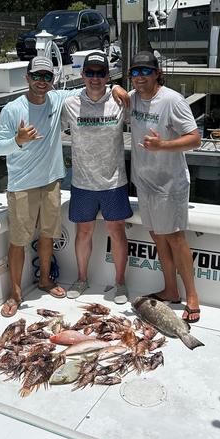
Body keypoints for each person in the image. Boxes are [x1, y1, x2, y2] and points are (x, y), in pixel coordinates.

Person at [0, 55, 128, 317]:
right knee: (18, 241)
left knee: (47, 236)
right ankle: (15, 293)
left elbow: (92, 85)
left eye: (47, 77)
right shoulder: (12, 109)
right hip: (21, 184)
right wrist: (18, 140)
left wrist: (115, 87)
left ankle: (45, 280)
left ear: (52, 80)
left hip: (52, 181)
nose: (42, 82)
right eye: (37, 76)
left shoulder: (58, 100)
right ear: (28, 78)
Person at [128, 50, 202, 323]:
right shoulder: (133, 98)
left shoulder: (172, 100)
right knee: (158, 238)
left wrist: (163, 145)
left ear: (157, 73)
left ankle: (192, 296)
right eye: (135, 72)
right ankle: (170, 289)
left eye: (146, 71)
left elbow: (195, 139)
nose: (140, 77)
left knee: (175, 238)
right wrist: (113, 88)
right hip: (144, 183)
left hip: (170, 185)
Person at [61, 51, 132, 304]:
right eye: (89, 73)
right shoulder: (69, 104)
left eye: (100, 73)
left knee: (117, 232)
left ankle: (121, 282)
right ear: (82, 75)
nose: (94, 78)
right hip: (81, 182)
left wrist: (121, 88)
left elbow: (146, 103)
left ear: (107, 76)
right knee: (83, 232)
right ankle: (81, 279)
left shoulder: (120, 102)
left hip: (114, 182)